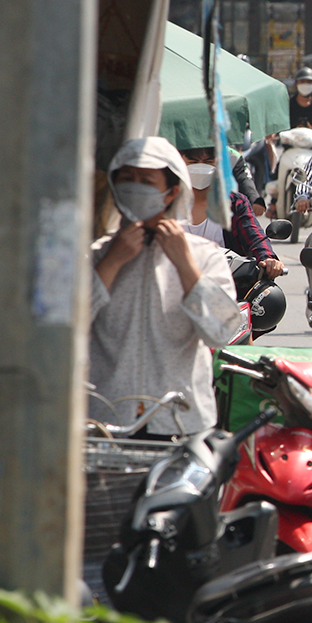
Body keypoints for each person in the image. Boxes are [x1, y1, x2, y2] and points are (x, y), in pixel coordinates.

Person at [90, 137, 243, 436]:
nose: (135, 187)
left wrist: (185, 264)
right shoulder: (96, 254)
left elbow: (222, 331)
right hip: (105, 420)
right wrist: (111, 262)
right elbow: (67, 324)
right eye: (127, 179)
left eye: (146, 181)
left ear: (171, 191)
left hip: (180, 420)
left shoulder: (204, 255)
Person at [178, 146, 285, 280]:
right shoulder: (165, 203)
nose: (201, 168)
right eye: (193, 162)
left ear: (218, 163)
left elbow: (255, 236)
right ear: (180, 162)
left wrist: (268, 259)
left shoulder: (235, 204)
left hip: (225, 287)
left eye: (208, 162)